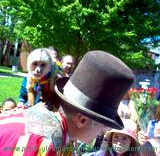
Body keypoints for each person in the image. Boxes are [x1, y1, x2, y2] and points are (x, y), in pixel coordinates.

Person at [0, 50, 135, 155]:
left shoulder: (60, 132)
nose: (105, 131)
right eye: (104, 124)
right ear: (82, 120)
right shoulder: (44, 145)